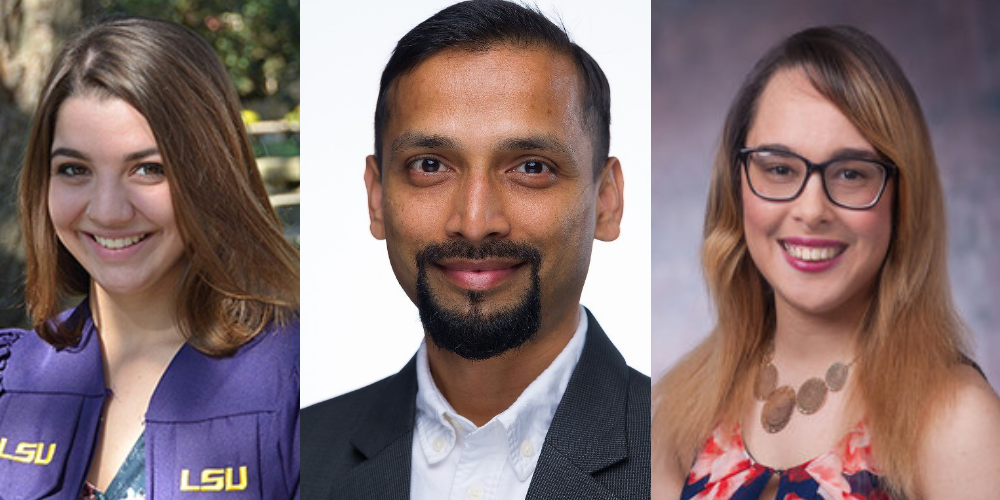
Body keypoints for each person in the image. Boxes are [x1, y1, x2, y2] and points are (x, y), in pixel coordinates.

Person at [301, 1, 648, 499]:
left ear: (608, 201)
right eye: (429, 165)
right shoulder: (303, 453)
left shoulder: (682, 457)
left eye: (531, 167)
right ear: (377, 198)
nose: (475, 222)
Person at [652, 26, 1000, 499]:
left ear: (903, 199)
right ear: (736, 188)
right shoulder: (676, 409)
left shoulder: (957, 420)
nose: (812, 209)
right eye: (779, 169)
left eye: (851, 173)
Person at [0, 17, 300, 499]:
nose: (108, 211)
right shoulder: (11, 378)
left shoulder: (301, 386)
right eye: (74, 169)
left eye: (148, 169)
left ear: (210, 174)